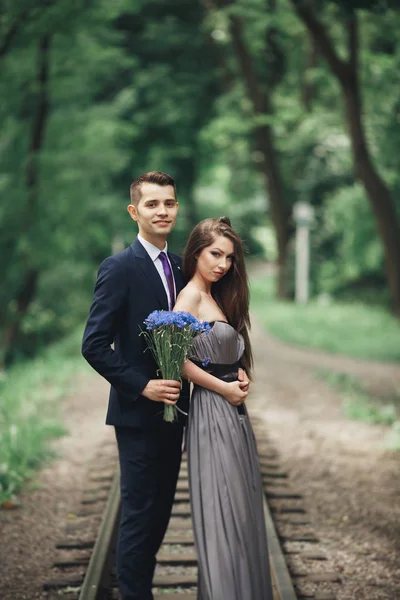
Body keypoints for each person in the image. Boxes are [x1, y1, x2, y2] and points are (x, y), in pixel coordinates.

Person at [81, 171, 190, 600]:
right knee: (140, 514)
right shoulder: (118, 268)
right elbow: (93, 344)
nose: (162, 211)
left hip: (176, 413)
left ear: (176, 208)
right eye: (152, 204)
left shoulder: (182, 265)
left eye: (169, 203)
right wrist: (142, 386)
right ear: (134, 212)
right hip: (137, 413)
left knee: (161, 512)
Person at [173, 216, 273, 600]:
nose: (223, 264)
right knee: (223, 506)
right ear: (196, 251)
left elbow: (219, 355)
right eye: (215, 254)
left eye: (229, 258)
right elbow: (177, 361)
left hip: (231, 413)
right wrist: (224, 389)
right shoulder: (190, 298)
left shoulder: (216, 296)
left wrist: (240, 376)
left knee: (240, 505)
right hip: (213, 414)